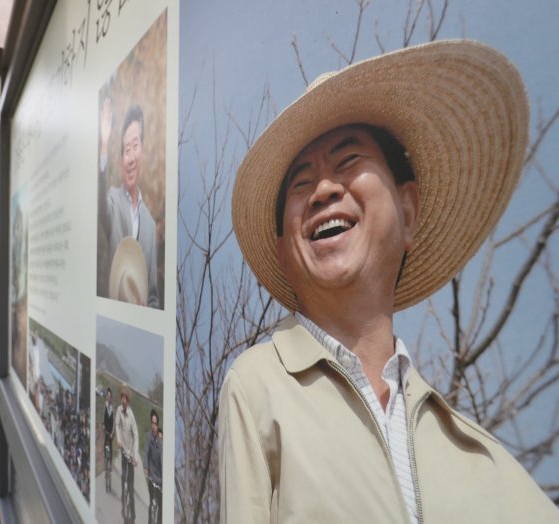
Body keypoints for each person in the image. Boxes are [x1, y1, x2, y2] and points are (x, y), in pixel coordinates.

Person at [219, 40, 558, 523]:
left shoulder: (477, 455)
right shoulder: (258, 388)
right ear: (283, 255)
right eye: (301, 183)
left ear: (408, 212)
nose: (324, 189)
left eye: (348, 161)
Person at [99, 98, 160, 308]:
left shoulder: (150, 225)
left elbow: (153, 296)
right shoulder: (113, 201)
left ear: (143, 150)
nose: (131, 158)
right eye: (126, 150)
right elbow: (100, 205)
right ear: (121, 161)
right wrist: (104, 146)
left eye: (135, 146)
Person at [114, 383, 139, 523]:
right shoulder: (118, 410)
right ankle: (123, 506)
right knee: (123, 478)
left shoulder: (131, 415)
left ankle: (133, 516)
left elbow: (136, 435)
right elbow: (117, 425)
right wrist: (118, 440)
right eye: (122, 398)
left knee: (130, 486)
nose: (123, 400)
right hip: (123, 450)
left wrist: (135, 457)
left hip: (131, 452)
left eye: (125, 398)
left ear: (127, 401)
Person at [143, 409, 162, 524]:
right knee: (152, 504)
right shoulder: (148, 437)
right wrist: (145, 467)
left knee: (160, 508)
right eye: (152, 423)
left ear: (158, 425)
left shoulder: (160, 441)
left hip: (160, 479)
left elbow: (162, 460)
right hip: (151, 476)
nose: (154, 426)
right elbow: (145, 452)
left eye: (155, 424)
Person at [103, 387, 116, 492]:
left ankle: (110, 464)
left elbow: (114, 422)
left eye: (110, 396)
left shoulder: (112, 408)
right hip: (106, 430)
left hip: (111, 432)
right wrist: (103, 425)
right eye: (107, 395)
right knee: (105, 446)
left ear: (111, 398)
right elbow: (103, 417)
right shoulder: (105, 405)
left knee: (110, 447)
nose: (108, 397)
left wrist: (113, 432)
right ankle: (105, 461)